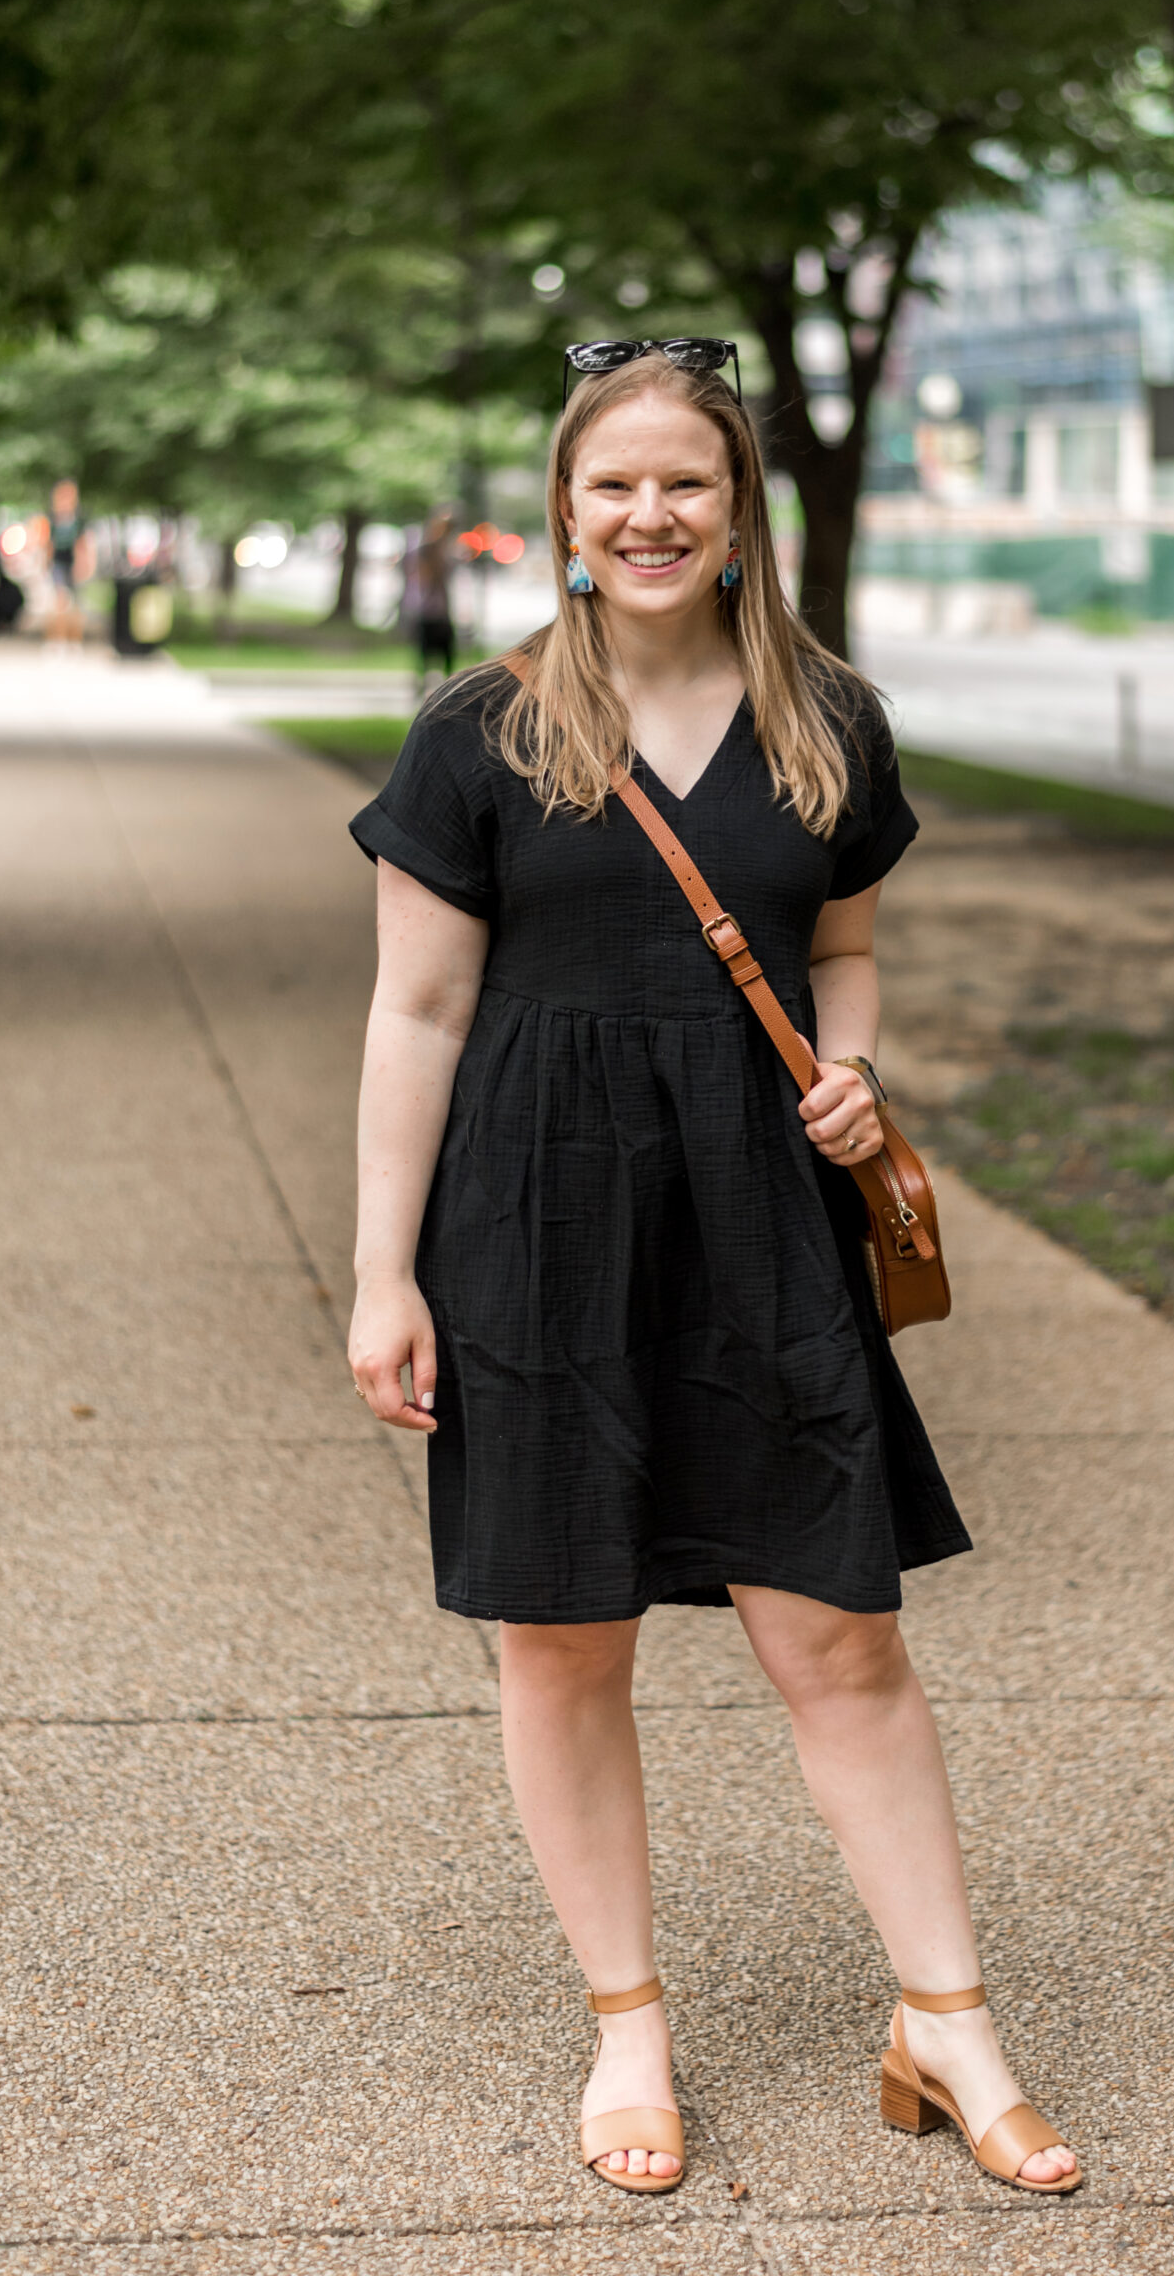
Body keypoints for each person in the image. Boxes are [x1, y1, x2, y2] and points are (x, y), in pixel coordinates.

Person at [346, 347, 1080, 2203]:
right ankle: (627, 2026)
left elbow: (836, 954)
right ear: (565, 516)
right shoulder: (478, 733)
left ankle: (946, 2021)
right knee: (560, 1634)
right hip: (533, 1218)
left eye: (687, 483)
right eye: (614, 488)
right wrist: (381, 1274)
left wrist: (854, 1067)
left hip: (762, 1215)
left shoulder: (828, 721)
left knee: (835, 1630)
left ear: (741, 509)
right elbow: (417, 1009)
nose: (651, 515)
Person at [408, 506, 457, 693]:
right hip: (428, 609)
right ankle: (421, 687)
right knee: (425, 655)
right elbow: (425, 578)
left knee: (446, 654)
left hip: (441, 610)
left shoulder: (446, 550)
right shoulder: (426, 551)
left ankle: (444, 689)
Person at [45, 479, 91, 644]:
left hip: (74, 563)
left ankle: (74, 641)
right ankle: (57, 640)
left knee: (76, 605)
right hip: (58, 563)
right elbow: (48, 544)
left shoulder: (79, 518)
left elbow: (83, 544)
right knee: (60, 602)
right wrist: (46, 563)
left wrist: (84, 565)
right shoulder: (52, 517)